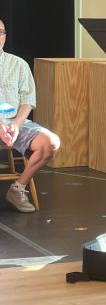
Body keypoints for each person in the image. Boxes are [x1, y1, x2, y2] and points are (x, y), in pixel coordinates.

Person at [0, 20, 60, 213]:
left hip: (14, 122)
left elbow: (28, 100)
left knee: (50, 142)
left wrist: (16, 125)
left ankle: (17, 188)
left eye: (1, 32)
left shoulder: (18, 64)